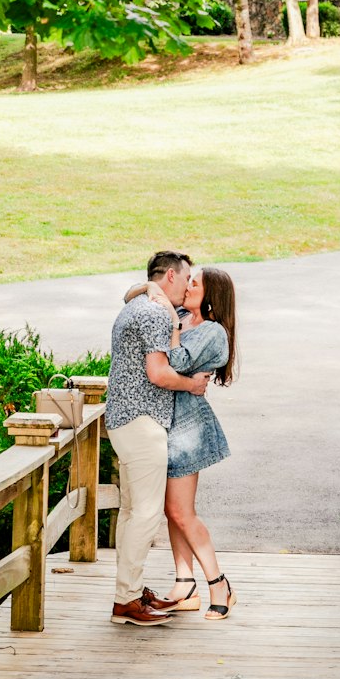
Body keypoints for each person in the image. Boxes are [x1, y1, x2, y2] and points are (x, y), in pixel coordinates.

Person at [105, 250, 211, 627]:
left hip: (124, 420)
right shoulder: (151, 311)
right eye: (185, 279)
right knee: (146, 514)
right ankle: (127, 602)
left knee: (133, 512)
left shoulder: (140, 304)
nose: (187, 286)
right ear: (169, 277)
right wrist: (193, 385)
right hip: (142, 421)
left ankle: (129, 592)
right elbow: (158, 372)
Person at [128, 265, 238, 621]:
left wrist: (172, 329)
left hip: (188, 431)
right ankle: (184, 584)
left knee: (181, 512)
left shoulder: (212, 332)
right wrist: (151, 287)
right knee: (170, 511)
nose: (188, 286)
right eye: (187, 280)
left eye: (196, 283)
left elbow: (173, 362)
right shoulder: (178, 314)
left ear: (212, 295)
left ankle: (219, 584)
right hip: (164, 426)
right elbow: (130, 295)